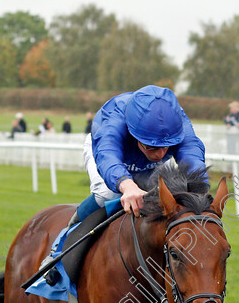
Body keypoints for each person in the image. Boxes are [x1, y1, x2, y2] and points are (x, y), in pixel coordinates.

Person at [77, 84, 207, 222]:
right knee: (107, 195)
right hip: (105, 151)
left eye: (167, 146)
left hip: (145, 163)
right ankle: (70, 232)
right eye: (151, 147)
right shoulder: (114, 120)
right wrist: (127, 185)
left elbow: (192, 155)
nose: (160, 155)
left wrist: (200, 189)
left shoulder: (177, 122)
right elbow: (107, 154)